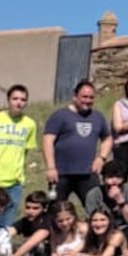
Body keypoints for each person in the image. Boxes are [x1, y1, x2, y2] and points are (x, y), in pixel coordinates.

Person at [43, 80, 113, 215]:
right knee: (55, 213)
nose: (88, 100)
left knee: (97, 211)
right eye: (84, 97)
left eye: (91, 97)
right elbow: (47, 141)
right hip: (61, 174)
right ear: (75, 96)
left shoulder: (97, 117)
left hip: (87, 174)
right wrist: (51, 168)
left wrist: (101, 158)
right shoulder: (60, 116)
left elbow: (108, 138)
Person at [0, 85, 39, 227]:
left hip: (14, 181)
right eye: (15, 98)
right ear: (8, 100)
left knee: (5, 224)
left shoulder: (30, 124)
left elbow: (25, 151)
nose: (19, 102)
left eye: (23, 99)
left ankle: (1, 248)